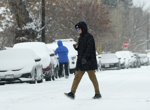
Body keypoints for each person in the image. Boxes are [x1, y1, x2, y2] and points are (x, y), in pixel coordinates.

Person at [64, 21, 102, 99]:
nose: (77, 30)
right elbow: (81, 49)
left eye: (78, 28)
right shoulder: (80, 38)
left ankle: (97, 93)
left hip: (88, 61)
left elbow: (89, 49)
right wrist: (76, 48)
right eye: (76, 29)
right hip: (81, 61)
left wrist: (85, 58)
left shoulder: (89, 37)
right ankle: (72, 93)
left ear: (83, 28)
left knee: (92, 77)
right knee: (77, 76)